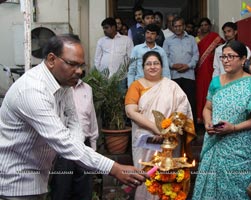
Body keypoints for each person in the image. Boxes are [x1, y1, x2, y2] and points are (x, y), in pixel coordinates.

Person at [0, 34, 146, 199]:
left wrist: (76, 150)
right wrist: (114, 168)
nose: (79, 71)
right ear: (51, 59)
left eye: (81, 65)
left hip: (37, 178)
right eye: (73, 64)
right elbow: (63, 141)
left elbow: (74, 121)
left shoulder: (64, 84)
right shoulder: (32, 91)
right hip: (15, 182)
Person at [192, 41, 251, 199]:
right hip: (215, 142)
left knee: (240, 191)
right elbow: (207, 108)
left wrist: (233, 128)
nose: (226, 60)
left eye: (231, 56)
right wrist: (207, 122)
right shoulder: (215, 82)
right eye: (223, 56)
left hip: (242, 147)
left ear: (243, 60)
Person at [125, 51, 196, 200]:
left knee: (168, 176)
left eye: (156, 63)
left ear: (162, 66)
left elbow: (182, 110)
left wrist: (168, 131)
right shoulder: (136, 86)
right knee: (145, 175)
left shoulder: (172, 86)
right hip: (145, 140)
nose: (152, 67)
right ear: (142, 67)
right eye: (148, 64)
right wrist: (156, 128)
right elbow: (131, 112)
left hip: (169, 141)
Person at [50, 75, 98, 200]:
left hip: (83, 146)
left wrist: (93, 146)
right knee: (62, 190)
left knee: (84, 191)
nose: (77, 70)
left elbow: (91, 116)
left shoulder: (87, 88)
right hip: (63, 147)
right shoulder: (56, 88)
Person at [163, 16, 199, 128]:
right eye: (175, 26)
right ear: (172, 27)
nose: (178, 28)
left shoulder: (192, 39)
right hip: (174, 76)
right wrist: (172, 65)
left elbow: (196, 55)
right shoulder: (168, 41)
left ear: (184, 26)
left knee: (190, 102)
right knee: (174, 103)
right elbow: (164, 57)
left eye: (180, 26)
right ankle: (175, 128)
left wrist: (188, 66)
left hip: (189, 76)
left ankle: (191, 129)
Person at [195, 17, 224, 124]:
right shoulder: (196, 40)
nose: (204, 27)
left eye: (206, 25)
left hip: (210, 69)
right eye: (201, 25)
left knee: (209, 91)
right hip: (200, 70)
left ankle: (211, 118)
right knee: (200, 93)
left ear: (210, 26)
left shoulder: (215, 37)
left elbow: (221, 50)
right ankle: (200, 117)